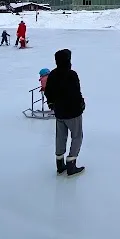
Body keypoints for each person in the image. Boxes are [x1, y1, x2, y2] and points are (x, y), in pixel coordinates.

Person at [44, 48, 85, 176]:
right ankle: (71, 164)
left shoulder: (53, 74)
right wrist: (81, 105)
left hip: (59, 112)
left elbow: (48, 91)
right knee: (77, 136)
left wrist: (51, 103)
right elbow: (76, 93)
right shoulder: (71, 74)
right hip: (73, 112)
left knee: (60, 137)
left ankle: (60, 164)